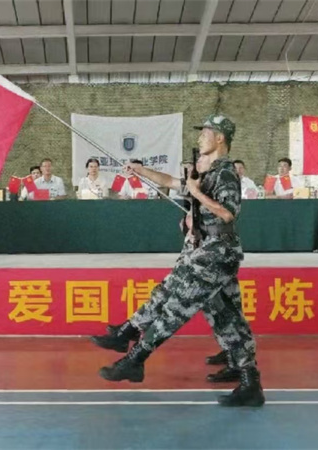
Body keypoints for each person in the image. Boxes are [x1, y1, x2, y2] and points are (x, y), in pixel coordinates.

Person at [90, 114, 264, 407]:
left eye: (205, 133)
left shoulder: (225, 174)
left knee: (176, 306)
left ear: (220, 138)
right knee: (226, 317)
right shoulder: (207, 173)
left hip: (216, 254)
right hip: (207, 250)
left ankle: (135, 357)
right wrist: (141, 170)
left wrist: (197, 194)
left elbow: (228, 213)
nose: (200, 138)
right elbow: (172, 182)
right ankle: (248, 378)